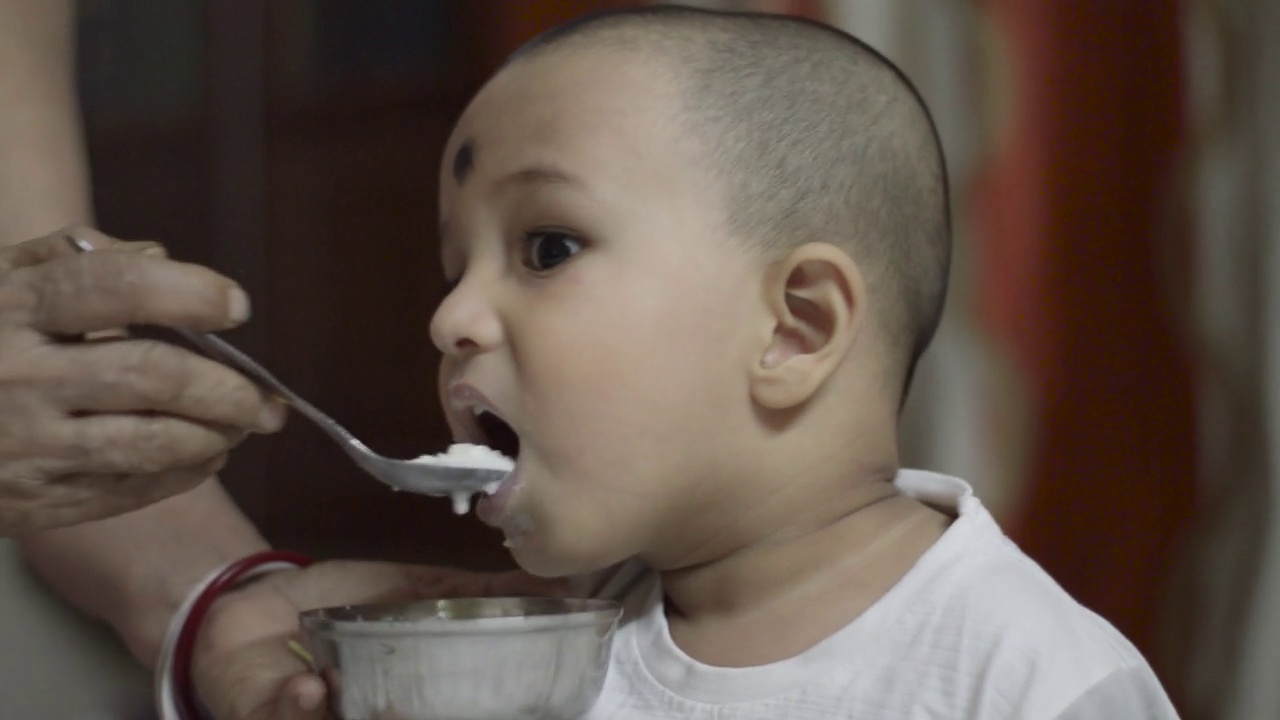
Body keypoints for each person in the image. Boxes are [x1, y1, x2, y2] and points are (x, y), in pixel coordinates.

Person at [208, 6, 1180, 719]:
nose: (450, 317)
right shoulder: (547, 657)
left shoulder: (1028, 681)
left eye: (545, 248)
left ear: (792, 329)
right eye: (454, 268)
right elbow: (263, 620)